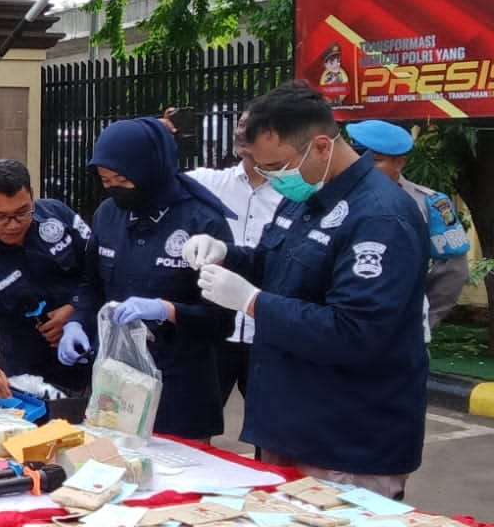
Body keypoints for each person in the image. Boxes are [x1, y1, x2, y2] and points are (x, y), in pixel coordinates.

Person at [187, 83, 428, 497]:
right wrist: (227, 254)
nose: (271, 178)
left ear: (320, 146)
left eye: (278, 166)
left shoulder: (381, 218)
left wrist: (251, 301)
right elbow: (273, 263)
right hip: (289, 426)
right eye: (263, 167)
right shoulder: (305, 197)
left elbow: (355, 331)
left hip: (346, 439)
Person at [64, 117, 235, 440]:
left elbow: (221, 319)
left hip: (179, 387)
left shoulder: (202, 222)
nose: (114, 187)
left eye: (122, 179)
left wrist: (167, 310)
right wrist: (78, 322)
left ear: (150, 169)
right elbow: (91, 285)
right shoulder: (108, 214)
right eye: (105, 179)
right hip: (116, 385)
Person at [0, 158, 91, 399]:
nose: (13, 225)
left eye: (22, 212)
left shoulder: (56, 216)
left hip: (96, 358)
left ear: (31, 195)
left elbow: (98, 270)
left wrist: (75, 308)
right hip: (31, 379)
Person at [185, 109, 282, 402]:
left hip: (266, 331)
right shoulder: (210, 182)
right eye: (240, 124)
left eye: (253, 126)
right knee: (198, 418)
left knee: (272, 432)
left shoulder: (294, 194)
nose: (243, 132)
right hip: (218, 330)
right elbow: (162, 182)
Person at [347, 120, 471, 334]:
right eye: (357, 158)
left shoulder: (428, 204)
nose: (362, 167)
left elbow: (453, 271)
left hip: (400, 329)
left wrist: (423, 321)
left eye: (375, 161)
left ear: (399, 163)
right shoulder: (331, 198)